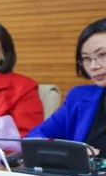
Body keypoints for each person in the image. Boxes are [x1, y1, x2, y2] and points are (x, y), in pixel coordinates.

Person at [27, 18, 106, 152]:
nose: (94, 66)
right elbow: (34, 138)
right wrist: (72, 153)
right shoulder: (79, 97)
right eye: (86, 58)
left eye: (102, 54)